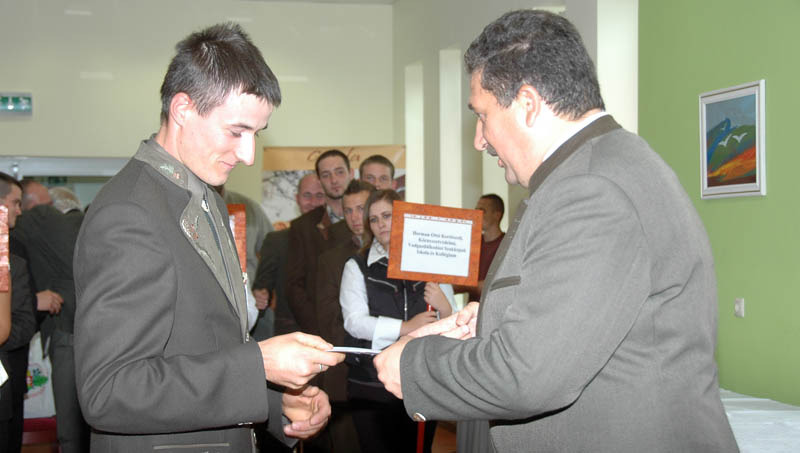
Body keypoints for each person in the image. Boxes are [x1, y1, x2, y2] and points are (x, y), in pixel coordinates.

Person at [374, 10, 739, 453]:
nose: (479, 140)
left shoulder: (591, 189)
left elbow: (527, 374)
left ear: (527, 104)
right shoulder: (597, 168)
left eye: (482, 116)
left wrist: (412, 366)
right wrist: (490, 320)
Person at [72, 23, 343, 452]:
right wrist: (259, 365)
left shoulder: (206, 199)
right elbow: (109, 390)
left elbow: (211, 344)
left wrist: (276, 402)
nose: (248, 155)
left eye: (256, 134)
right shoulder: (129, 213)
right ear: (182, 109)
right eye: (236, 132)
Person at [340, 189, 457, 453]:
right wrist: (407, 327)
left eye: (387, 215)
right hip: (371, 384)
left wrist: (445, 307)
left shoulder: (433, 262)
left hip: (421, 380)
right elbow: (354, 322)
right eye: (374, 219)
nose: (380, 224)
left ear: (404, 216)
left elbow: (453, 323)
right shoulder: (357, 265)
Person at [286, 150, 353, 337]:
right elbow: (294, 287)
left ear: (351, 173)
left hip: (366, 330)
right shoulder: (302, 227)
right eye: (326, 175)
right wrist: (317, 328)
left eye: (339, 172)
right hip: (320, 330)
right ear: (319, 180)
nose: (334, 180)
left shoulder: (368, 221)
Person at [253, 173, 325, 337]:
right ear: (297, 198)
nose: (313, 202)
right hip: (289, 335)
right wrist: (259, 296)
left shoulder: (339, 239)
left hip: (331, 334)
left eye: (319, 196)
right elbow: (262, 288)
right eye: (307, 195)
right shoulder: (276, 241)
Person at [0, 173, 37, 452]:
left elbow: (20, 325)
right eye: (15, 202)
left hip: (6, 379)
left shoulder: (13, 260)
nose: (19, 210)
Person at [454, 193, 505, 302]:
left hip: (494, 308)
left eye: (482, 210)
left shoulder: (507, 245)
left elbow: (494, 287)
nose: (476, 214)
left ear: (497, 215)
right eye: (476, 210)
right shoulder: (471, 243)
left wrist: (466, 284)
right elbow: (454, 283)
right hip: (471, 309)